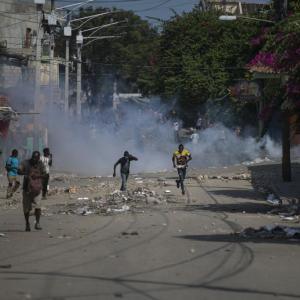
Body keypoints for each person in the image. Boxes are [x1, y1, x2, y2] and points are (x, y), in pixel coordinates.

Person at [18, 151, 46, 232]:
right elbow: (19, 171)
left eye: (36, 158)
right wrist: (26, 173)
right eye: (33, 157)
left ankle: (37, 223)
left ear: (38, 158)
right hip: (27, 189)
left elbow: (45, 174)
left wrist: (38, 176)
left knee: (38, 207)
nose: (34, 159)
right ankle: (27, 223)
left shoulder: (41, 164)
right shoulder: (25, 163)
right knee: (26, 209)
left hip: (37, 189)